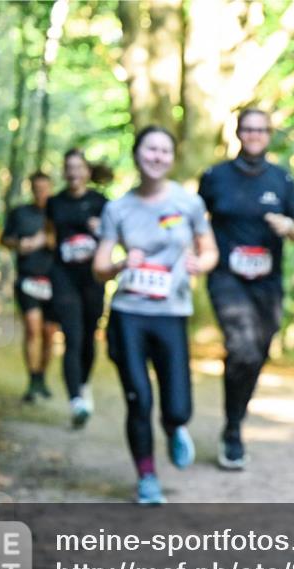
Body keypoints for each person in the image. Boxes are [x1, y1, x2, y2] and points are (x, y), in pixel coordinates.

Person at [94, 126, 219, 504]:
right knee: (139, 399)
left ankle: (175, 427)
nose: (157, 156)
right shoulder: (117, 208)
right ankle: (146, 477)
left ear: (172, 157)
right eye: (150, 149)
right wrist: (119, 264)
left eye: (164, 150)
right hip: (128, 314)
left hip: (172, 312)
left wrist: (201, 263)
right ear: (136, 153)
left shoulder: (188, 203)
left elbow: (210, 250)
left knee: (177, 405)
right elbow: (99, 267)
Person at [198, 108, 294, 470]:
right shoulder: (215, 177)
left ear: (269, 134)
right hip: (226, 277)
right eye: (248, 129)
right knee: (242, 347)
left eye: (260, 129)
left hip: (267, 282)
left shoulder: (282, 179)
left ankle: (235, 416)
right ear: (238, 133)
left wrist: (288, 226)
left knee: (256, 353)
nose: (254, 135)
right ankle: (233, 431)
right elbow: (194, 222)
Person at [45, 149, 108, 427]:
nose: (73, 173)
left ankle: (83, 385)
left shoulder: (100, 202)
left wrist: (100, 229)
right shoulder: (55, 202)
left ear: (87, 172)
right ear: (64, 172)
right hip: (64, 277)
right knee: (72, 336)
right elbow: (49, 235)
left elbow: (113, 236)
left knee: (88, 337)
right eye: (69, 167)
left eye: (78, 167)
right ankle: (76, 402)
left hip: (92, 278)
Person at [2, 171, 59, 402]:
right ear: (31, 189)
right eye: (36, 189)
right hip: (27, 278)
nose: (40, 193)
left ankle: (41, 376)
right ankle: (32, 379)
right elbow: (4, 239)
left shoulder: (58, 212)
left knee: (49, 333)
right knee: (32, 329)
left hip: (54, 281)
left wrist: (50, 240)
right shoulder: (20, 213)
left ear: (50, 188)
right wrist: (19, 244)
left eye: (44, 189)